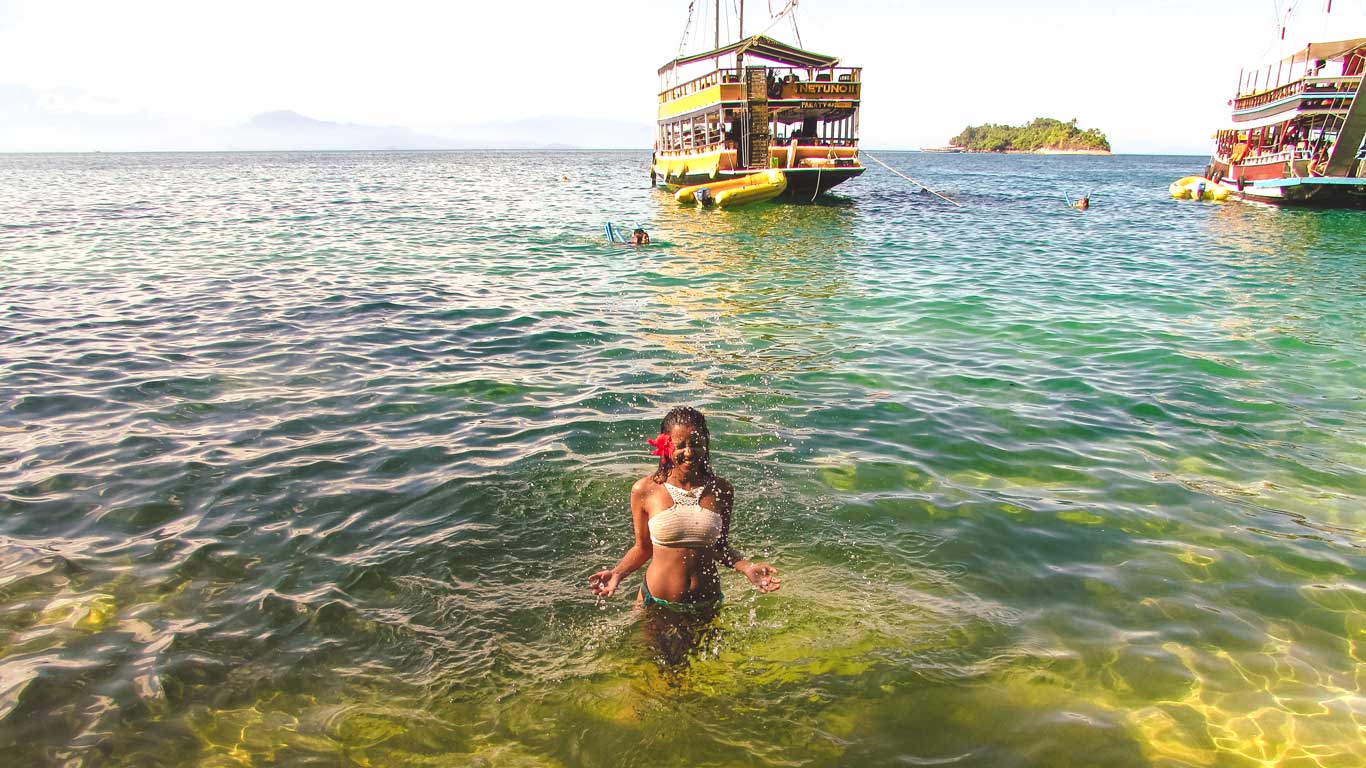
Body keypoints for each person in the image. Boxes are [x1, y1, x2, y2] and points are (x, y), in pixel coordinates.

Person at [589, 407, 780, 618]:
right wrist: (617, 573)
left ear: (706, 444)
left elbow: (719, 547)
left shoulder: (721, 489)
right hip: (657, 604)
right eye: (680, 446)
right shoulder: (644, 490)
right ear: (665, 446)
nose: (689, 452)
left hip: (707, 604)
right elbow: (642, 548)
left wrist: (746, 567)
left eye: (696, 444)